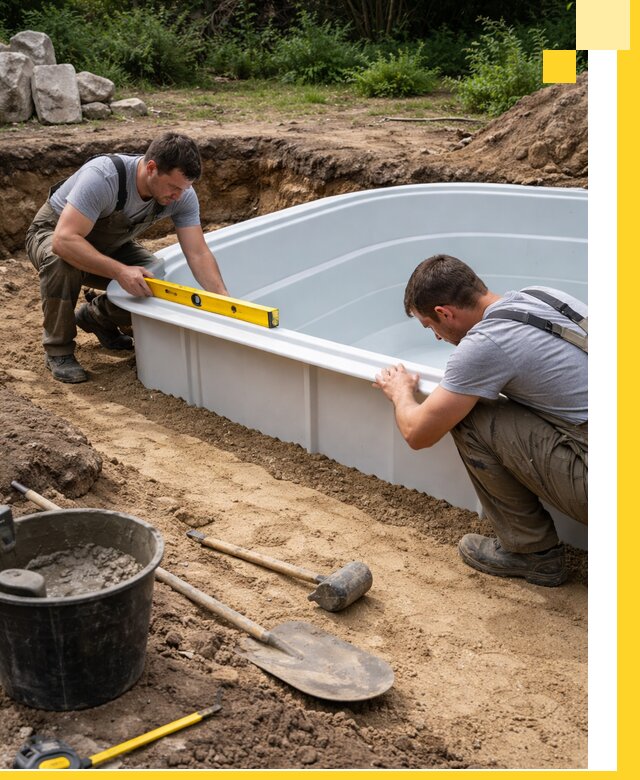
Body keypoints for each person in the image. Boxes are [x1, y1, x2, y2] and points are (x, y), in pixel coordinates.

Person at [374, 254, 587, 587]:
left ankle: (532, 553)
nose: (437, 338)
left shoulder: (485, 345)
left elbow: (418, 433)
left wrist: (400, 392)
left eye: (431, 327)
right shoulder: (544, 296)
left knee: (467, 415)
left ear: (444, 312)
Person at [26, 131, 229, 384]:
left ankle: (96, 316)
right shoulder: (104, 177)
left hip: (109, 245)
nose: (179, 195)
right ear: (152, 168)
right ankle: (59, 351)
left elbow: (198, 252)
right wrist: (120, 271)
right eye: (174, 187)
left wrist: (224, 302)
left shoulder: (182, 195)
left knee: (155, 276)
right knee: (62, 263)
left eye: (185, 188)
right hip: (53, 234)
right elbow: (63, 241)